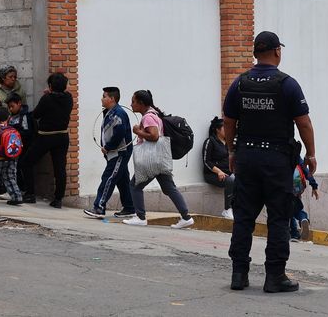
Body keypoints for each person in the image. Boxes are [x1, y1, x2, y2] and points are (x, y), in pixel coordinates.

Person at [224, 31, 316, 293]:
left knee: (243, 217)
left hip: (247, 158)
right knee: (278, 217)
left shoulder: (239, 84)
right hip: (276, 160)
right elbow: (304, 122)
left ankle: (239, 274)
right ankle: (274, 276)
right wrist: (310, 155)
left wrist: (231, 151)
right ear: (277, 51)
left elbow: (229, 121)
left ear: (255, 53)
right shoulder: (287, 84)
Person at [123, 90, 194, 229]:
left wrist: (138, 132)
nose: (131, 104)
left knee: (135, 186)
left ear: (141, 103)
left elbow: (154, 136)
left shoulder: (148, 117)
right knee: (169, 188)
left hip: (152, 159)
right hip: (160, 158)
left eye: (133, 101)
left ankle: (140, 217)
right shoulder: (154, 114)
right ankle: (186, 217)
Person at [22, 72, 72, 208]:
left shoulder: (47, 99)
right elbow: (64, 93)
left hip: (45, 136)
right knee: (60, 168)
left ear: (50, 86)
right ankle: (58, 199)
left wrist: (47, 95)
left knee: (27, 162)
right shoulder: (69, 98)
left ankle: (30, 194)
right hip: (62, 137)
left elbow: (37, 114)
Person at [84, 87, 134, 219]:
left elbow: (119, 133)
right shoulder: (109, 112)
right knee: (122, 180)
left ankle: (99, 207)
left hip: (119, 152)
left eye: (104, 96)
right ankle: (129, 207)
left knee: (108, 178)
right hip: (113, 153)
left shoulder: (118, 113)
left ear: (112, 99)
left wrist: (108, 147)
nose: (102, 98)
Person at [202, 116, 235, 220]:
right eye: (224, 128)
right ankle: (227, 210)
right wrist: (219, 171)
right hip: (212, 174)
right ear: (217, 129)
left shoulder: (228, 142)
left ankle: (237, 208)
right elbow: (206, 161)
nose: (227, 130)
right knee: (230, 181)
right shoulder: (210, 141)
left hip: (228, 173)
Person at [290, 156, 318, 242]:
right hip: (296, 188)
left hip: (281, 186)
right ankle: (303, 219)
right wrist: (314, 185)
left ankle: (294, 233)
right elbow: (305, 170)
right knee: (296, 208)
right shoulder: (295, 153)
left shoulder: (278, 151)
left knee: (286, 209)